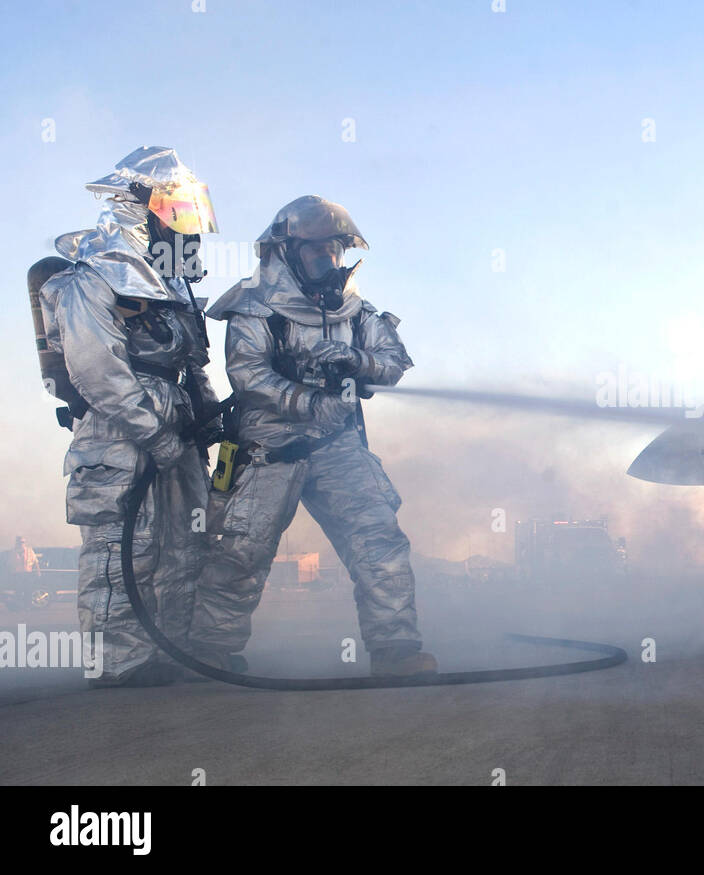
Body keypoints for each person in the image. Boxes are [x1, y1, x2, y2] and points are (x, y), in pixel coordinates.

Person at [191, 195, 437, 677]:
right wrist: (308, 401)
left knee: (378, 538)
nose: (327, 261)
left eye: (334, 251)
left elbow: (394, 363)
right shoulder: (254, 307)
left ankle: (396, 651)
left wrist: (357, 362)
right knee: (242, 549)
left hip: (336, 445)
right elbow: (249, 376)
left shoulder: (355, 310)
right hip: (266, 449)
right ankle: (209, 652)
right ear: (285, 252)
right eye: (316, 251)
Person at [40, 146, 221, 686]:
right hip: (119, 434)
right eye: (180, 214)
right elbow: (99, 372)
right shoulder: (92, 277)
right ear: (139, 206)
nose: (189, 230)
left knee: (187, 541)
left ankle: (171, 653)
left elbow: (194, 365)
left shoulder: (175, 286)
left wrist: (209, 419)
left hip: (177, 427)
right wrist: (157, 436)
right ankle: (119, 665)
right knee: (124, 546)